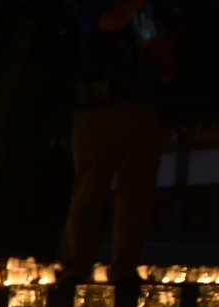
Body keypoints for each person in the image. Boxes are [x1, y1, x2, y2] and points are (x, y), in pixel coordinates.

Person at [62, 0, 175, 284]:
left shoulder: (149, 12)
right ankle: (77, 266)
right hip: (98, 105)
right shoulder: (95, 6)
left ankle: (125, 266)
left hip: (142, 102)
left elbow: (159, 45)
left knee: (136, 192)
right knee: (90, 188)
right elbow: (110, 21)